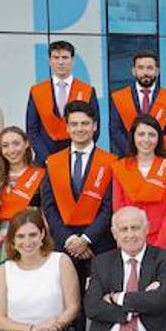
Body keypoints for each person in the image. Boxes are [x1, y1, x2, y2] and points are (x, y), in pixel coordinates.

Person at [39, 101, 117, 285]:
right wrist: (71, 240)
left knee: (104, 303)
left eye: (85, 123)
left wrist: (87, 239)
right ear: (67, 127)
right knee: (69, 306)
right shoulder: (53, 162)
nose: (79, 129)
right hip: (66, 245)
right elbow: (49, 207)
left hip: (100, 244)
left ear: (95, 126)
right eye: (74, 124)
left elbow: (109, 207)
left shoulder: (110, 162)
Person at [112, 114, 166, 251]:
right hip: (130, 240)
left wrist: (161, 244)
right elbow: (118, 206)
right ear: (133, 137)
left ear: (159, 138)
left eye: (152, 135)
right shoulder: (120, 167)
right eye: (141, 134)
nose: (146, 140)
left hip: (163, 240)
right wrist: (128, 239)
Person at [26, 39, 100, 161]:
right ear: (50, 61)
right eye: (56, 57)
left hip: (78, 159)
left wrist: (78, 153)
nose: (60, 62)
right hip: (45, 160)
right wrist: (47, 158)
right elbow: (32, 129)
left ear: (72, 61)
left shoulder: (87, 90)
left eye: (65, 57)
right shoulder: (37, 90)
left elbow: (94, 128)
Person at [0, 126, 46, 270]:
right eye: (5, 146)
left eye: (16, 143)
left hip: (32, 240)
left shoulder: (42, 175)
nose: (11, 150)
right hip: (1, 243)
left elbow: (45, 214)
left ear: (26, 144)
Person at [109, 49, 166, 156]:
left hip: (160, 158)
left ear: (157, 71)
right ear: (133, 71)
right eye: (141, 68)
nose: (145, 72)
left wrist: (156, 153)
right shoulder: (119, 97)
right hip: (127, 159)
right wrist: (133, 153)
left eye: (150, 68)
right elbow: (115, 130)